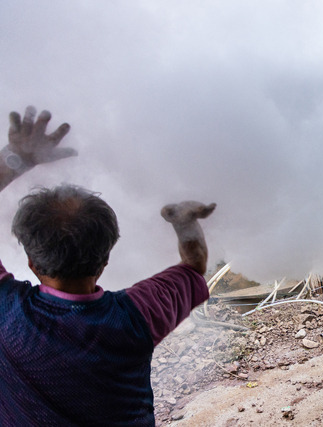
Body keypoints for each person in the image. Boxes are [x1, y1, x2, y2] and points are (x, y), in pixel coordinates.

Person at [0, 106, 216, 425]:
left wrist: (16, 158)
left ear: (31, 263)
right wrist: (184, 224)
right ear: (105, 260)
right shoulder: (138, 315)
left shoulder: (6, 313)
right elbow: (194, 266)